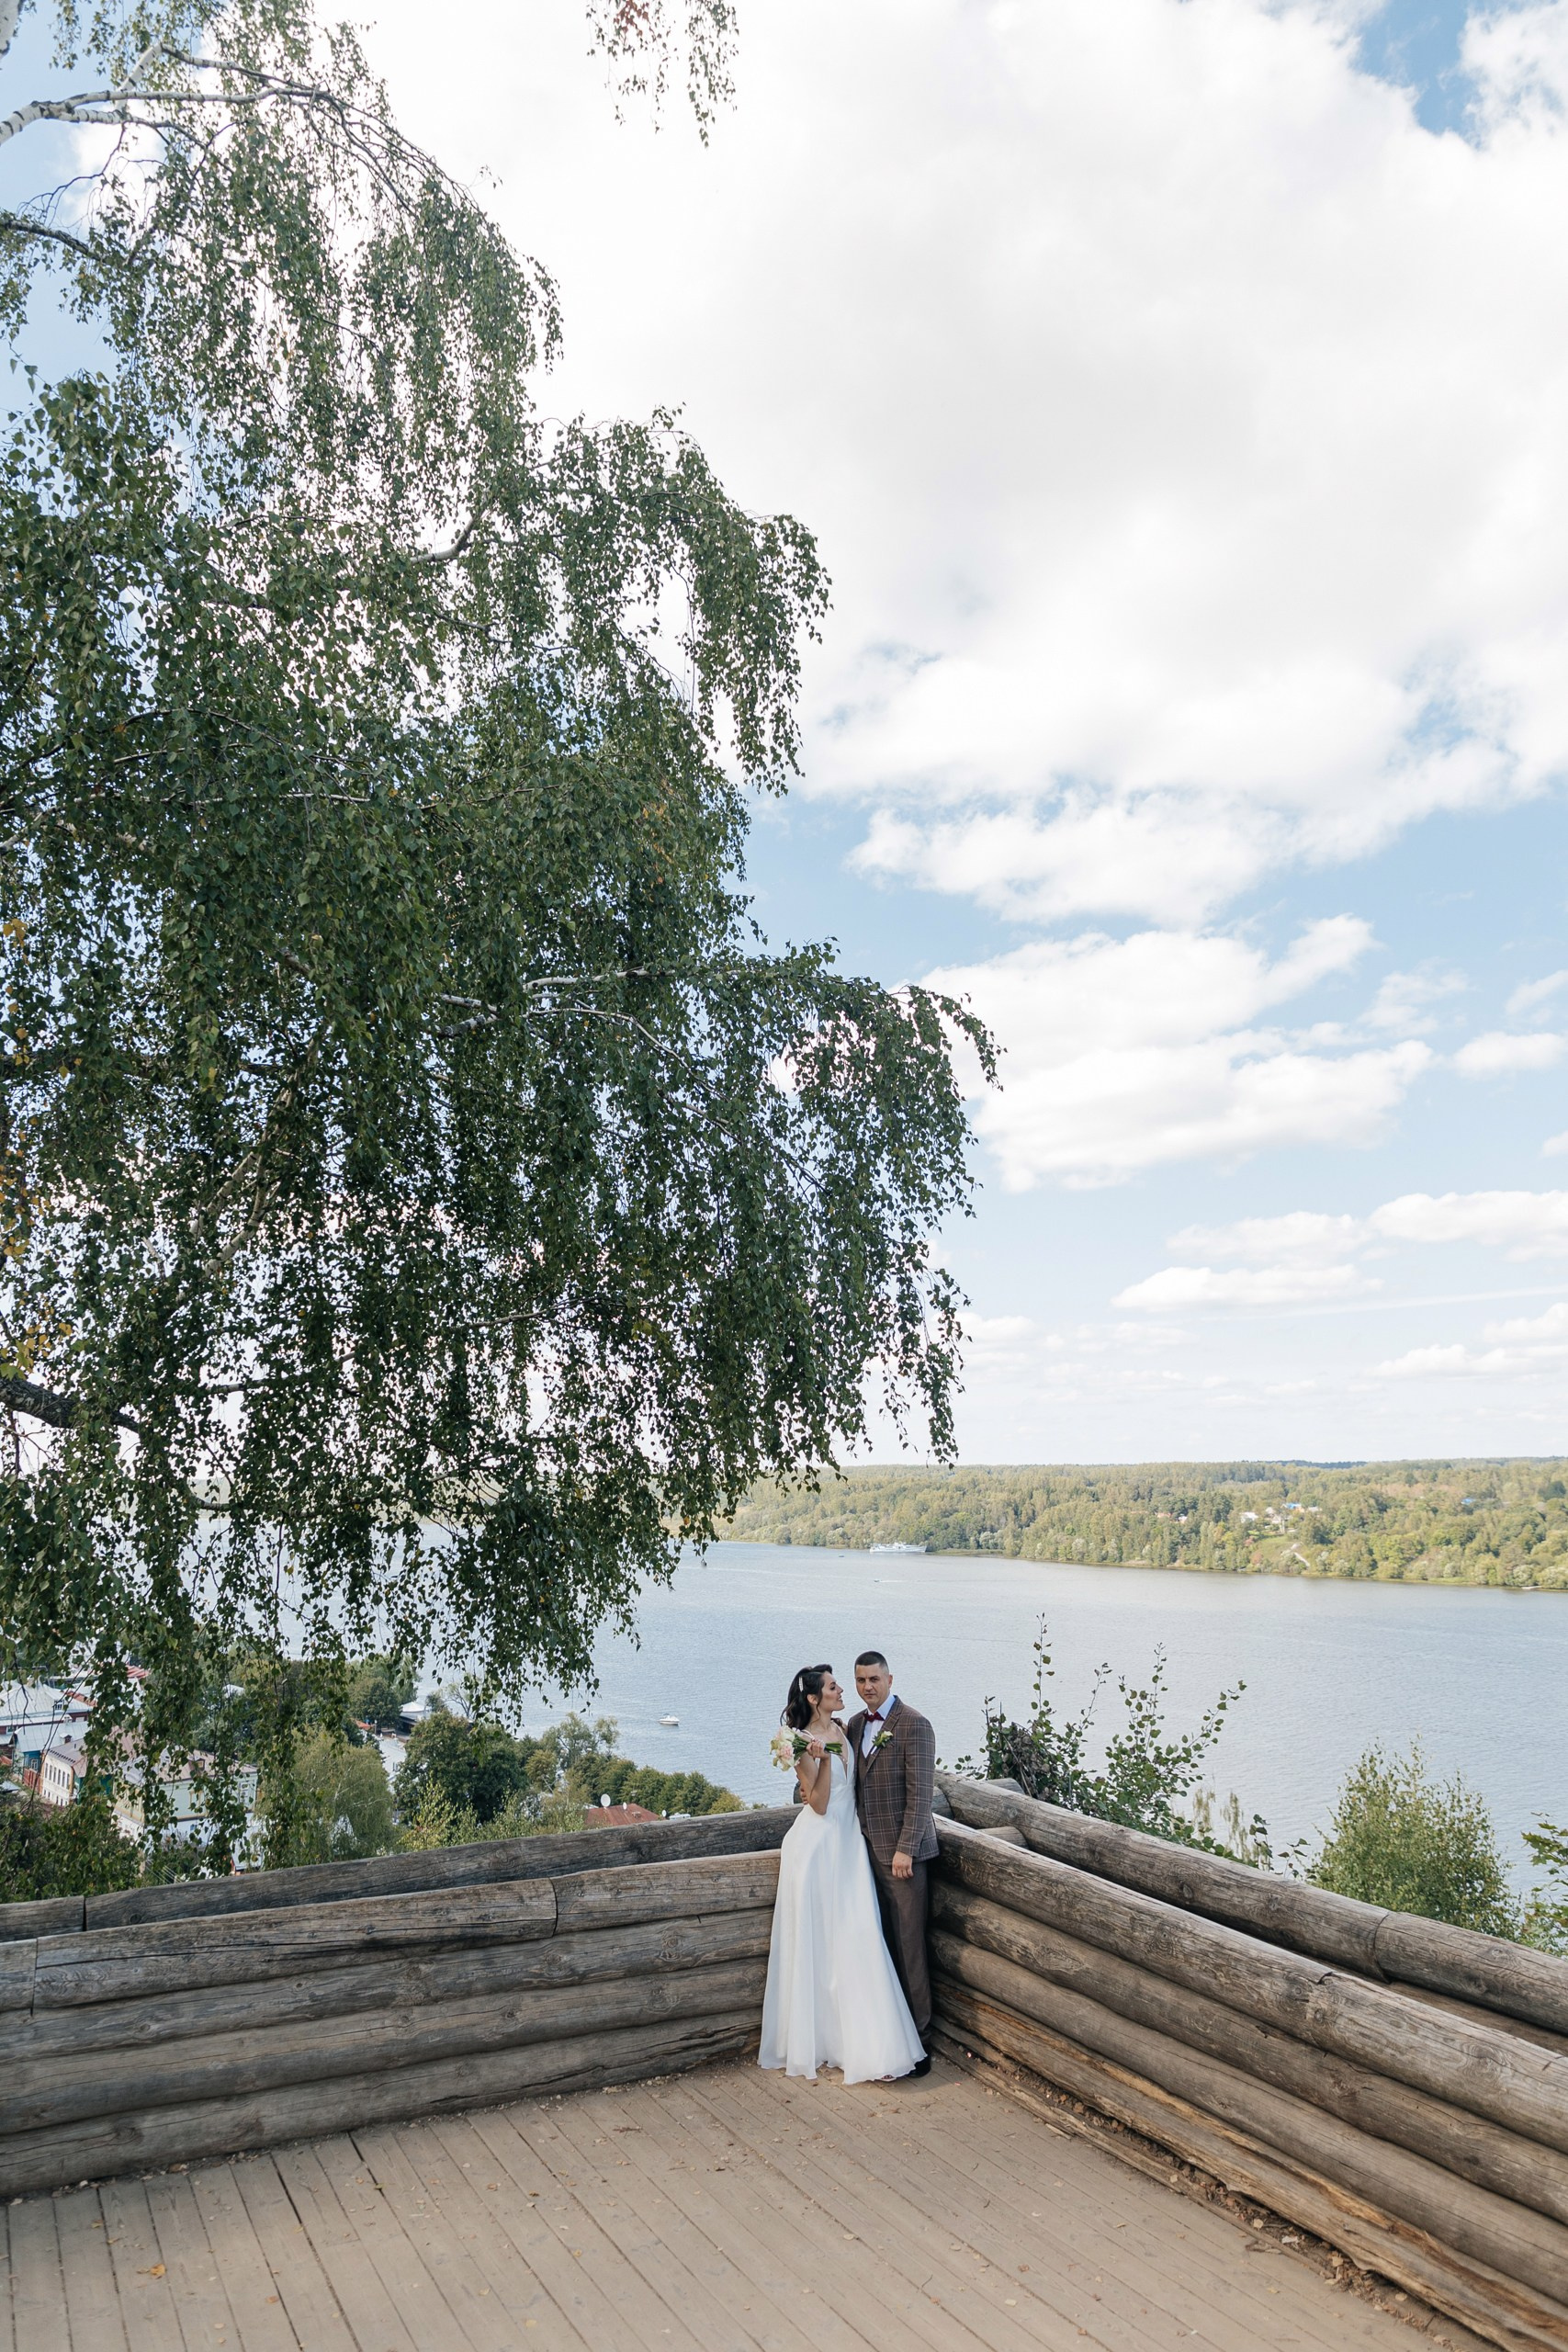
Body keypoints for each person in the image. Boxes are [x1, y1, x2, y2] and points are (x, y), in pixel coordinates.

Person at [758, 1664, 927, 2085]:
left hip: (851, 1843)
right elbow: (816, 1803)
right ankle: (829, 2041)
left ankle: (866, 2042)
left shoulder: (847, 1728)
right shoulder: (799, 1742)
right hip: (819, 1848)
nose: (843, 1691)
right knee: (825, 1945)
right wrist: (822, 1762)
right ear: (814, 1698)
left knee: (857, 1935)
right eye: (834, 1687)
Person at [843, 1650, 936, 2074]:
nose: (867, 1687)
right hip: (864, 1854)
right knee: (879, 1946)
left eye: (874, 1679)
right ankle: (890, 2037)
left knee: (909, 1947)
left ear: (890, 1679)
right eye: (861, 1680)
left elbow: (921, 1795)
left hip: (902, 1859)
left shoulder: (915, 1725)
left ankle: (920, 2042)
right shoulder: (855, 1725)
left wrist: (906, 1849)